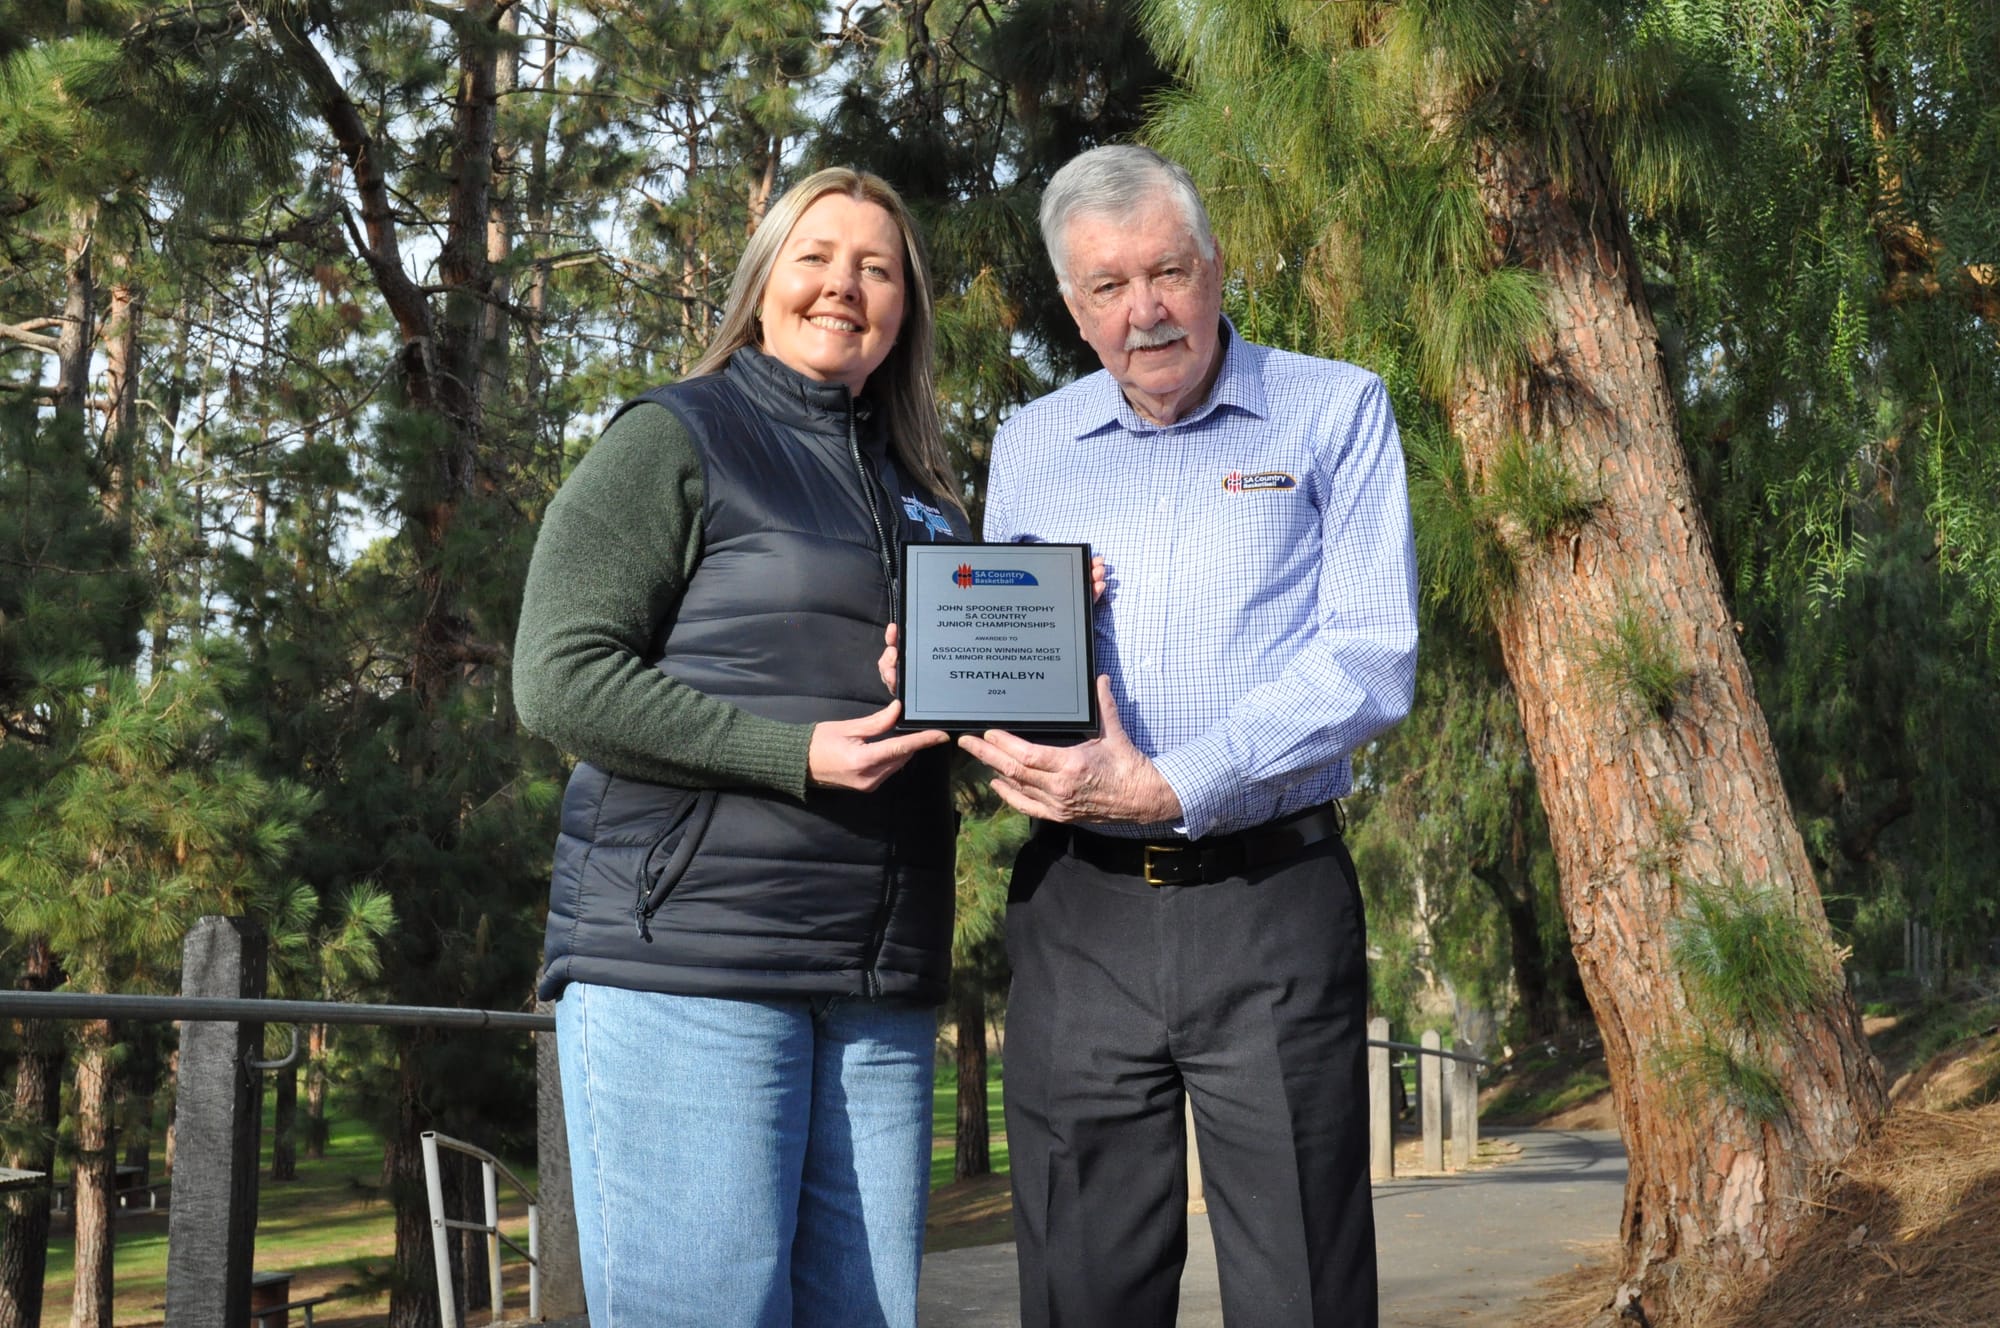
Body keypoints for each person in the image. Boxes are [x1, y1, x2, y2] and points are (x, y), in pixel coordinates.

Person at [959, 144, 1419, 1327]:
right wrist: (950, 679)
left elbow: (1369, 654)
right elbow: (1009, 659)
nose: (1144, 309)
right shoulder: (1029, 444)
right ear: (1071, 306)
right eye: (1106, 286)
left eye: (1166, 270)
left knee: (1300, 1287)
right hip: (1077, 916)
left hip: (1268, 899)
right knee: (1080, 1282)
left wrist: (1170, 782)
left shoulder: (1335, 407)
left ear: (1215, 266)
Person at [513, 167, 970, 1328]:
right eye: (816, 256)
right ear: (761, 282)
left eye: (877, 268)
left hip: (875, 984)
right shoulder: (673, 436)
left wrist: (1048, 651)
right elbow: (557, 678)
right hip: (690, 966)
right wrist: (792, 752)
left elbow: (961, 714)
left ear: (903, 308)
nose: (843, 286)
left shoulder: (923, 496)